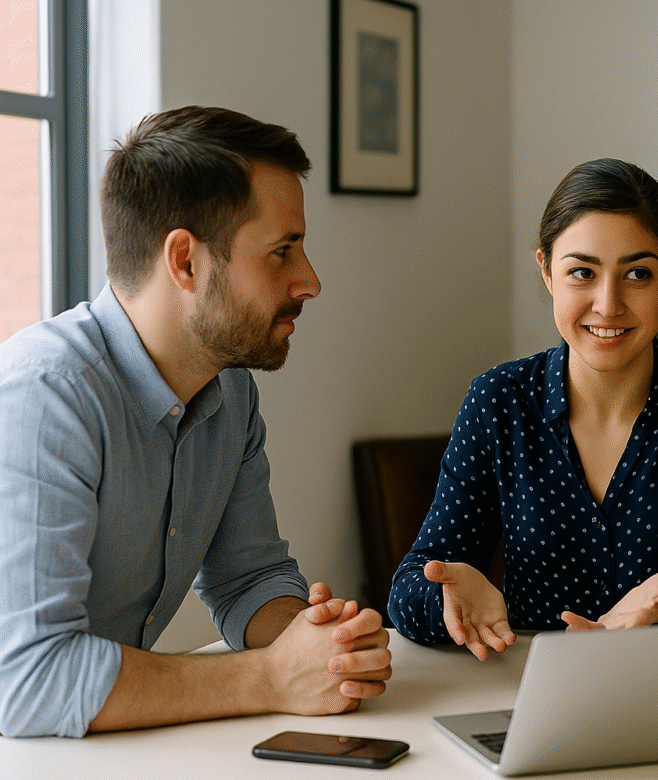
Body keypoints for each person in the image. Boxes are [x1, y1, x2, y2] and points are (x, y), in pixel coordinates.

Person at [0, 106, 391, 738]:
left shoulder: (229, 390)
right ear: (185, 262)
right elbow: (30, 682)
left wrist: (322, 647)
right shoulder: (44, 396)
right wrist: (271, 678)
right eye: (281, 251)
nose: (309, 281)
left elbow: (249, 578)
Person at [388, 158, 658, 660]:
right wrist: (446, 601)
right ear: (546, 271)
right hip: (530, 696)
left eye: (637, 274)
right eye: (582, 273)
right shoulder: (499, 401)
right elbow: (408, 591)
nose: (608, 304)